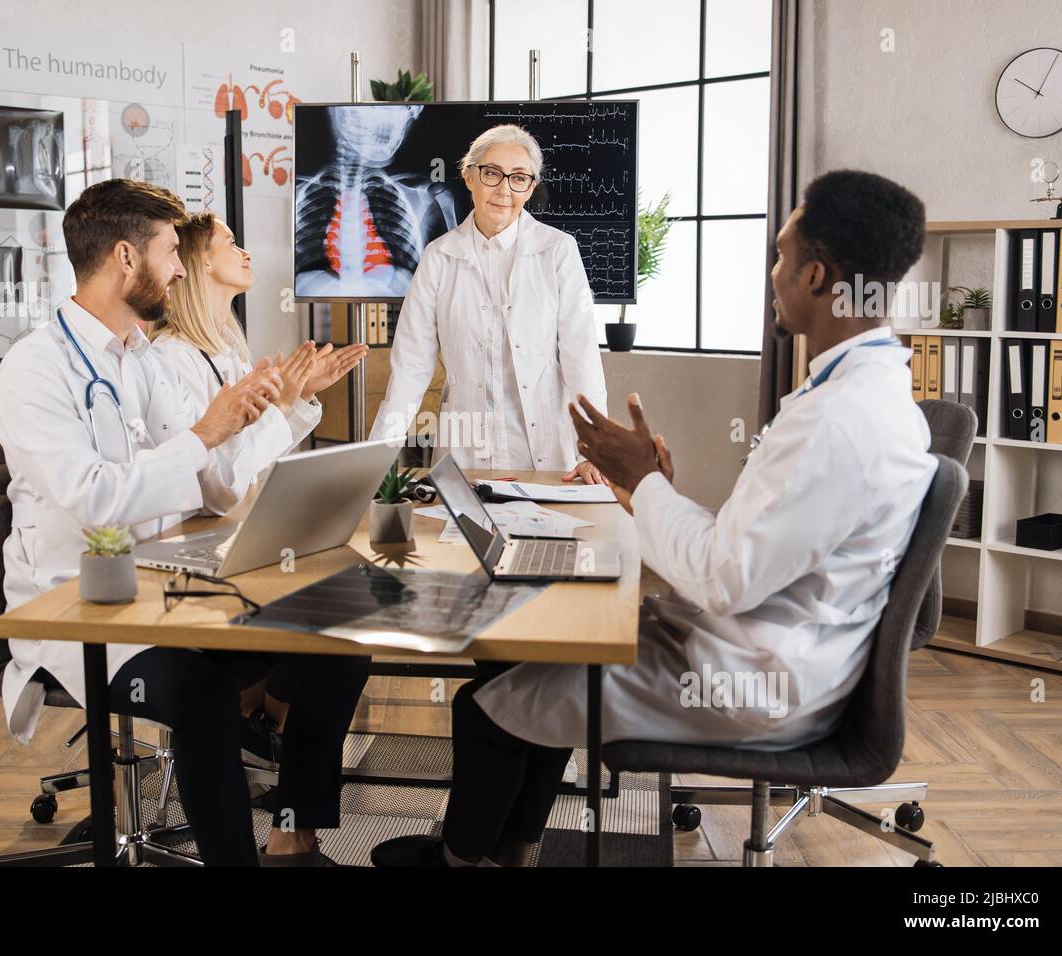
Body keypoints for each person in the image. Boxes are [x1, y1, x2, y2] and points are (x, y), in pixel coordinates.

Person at [371, 169, 939, 867]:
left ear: (818, 277)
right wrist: (650, 491)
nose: (775, 273)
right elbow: (751, 552)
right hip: (772, 650)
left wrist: (642, 483)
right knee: (535, 661)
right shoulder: (863, 396)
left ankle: (464, 863)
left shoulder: (837, 422)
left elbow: (725, 580)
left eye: (783, 257)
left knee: (486, 707)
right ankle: (509, 855)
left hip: (756, 682)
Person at [0, 178, 368, 866]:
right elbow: (96, 497)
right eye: (170, 251)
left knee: (337, 642)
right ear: (127, 258)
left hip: (167, 588)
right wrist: (202, 434)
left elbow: (219, 489)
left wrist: (286, 409)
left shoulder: (142, 361)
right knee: (200, 699)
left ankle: (293, 831)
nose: (177, 267)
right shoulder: (33, 369)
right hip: (81, 611)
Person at [147, 210, 368, 768]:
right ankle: (265, 725)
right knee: (336, 625)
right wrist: (283, 406)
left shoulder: (226, 348)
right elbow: (220, 488)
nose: (246, 253)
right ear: (198, 261)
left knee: (344, 590)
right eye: (231, 243)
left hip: (233, 533)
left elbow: (251, 462)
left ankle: (261, 723)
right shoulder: (174, 358)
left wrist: (298, 402)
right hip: (192, 550)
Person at [368, 124, 608, 482]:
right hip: (467, 450)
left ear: (529, 188)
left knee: (546, 537)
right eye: (492, 173)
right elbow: (411, 367)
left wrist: (596, 451)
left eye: (519, 178)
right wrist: (374, 460)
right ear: (469, 176)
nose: (504, 190)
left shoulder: (557, 250)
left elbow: (581, 356)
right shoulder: (439, 257)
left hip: (546, 450)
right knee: (464, 536)